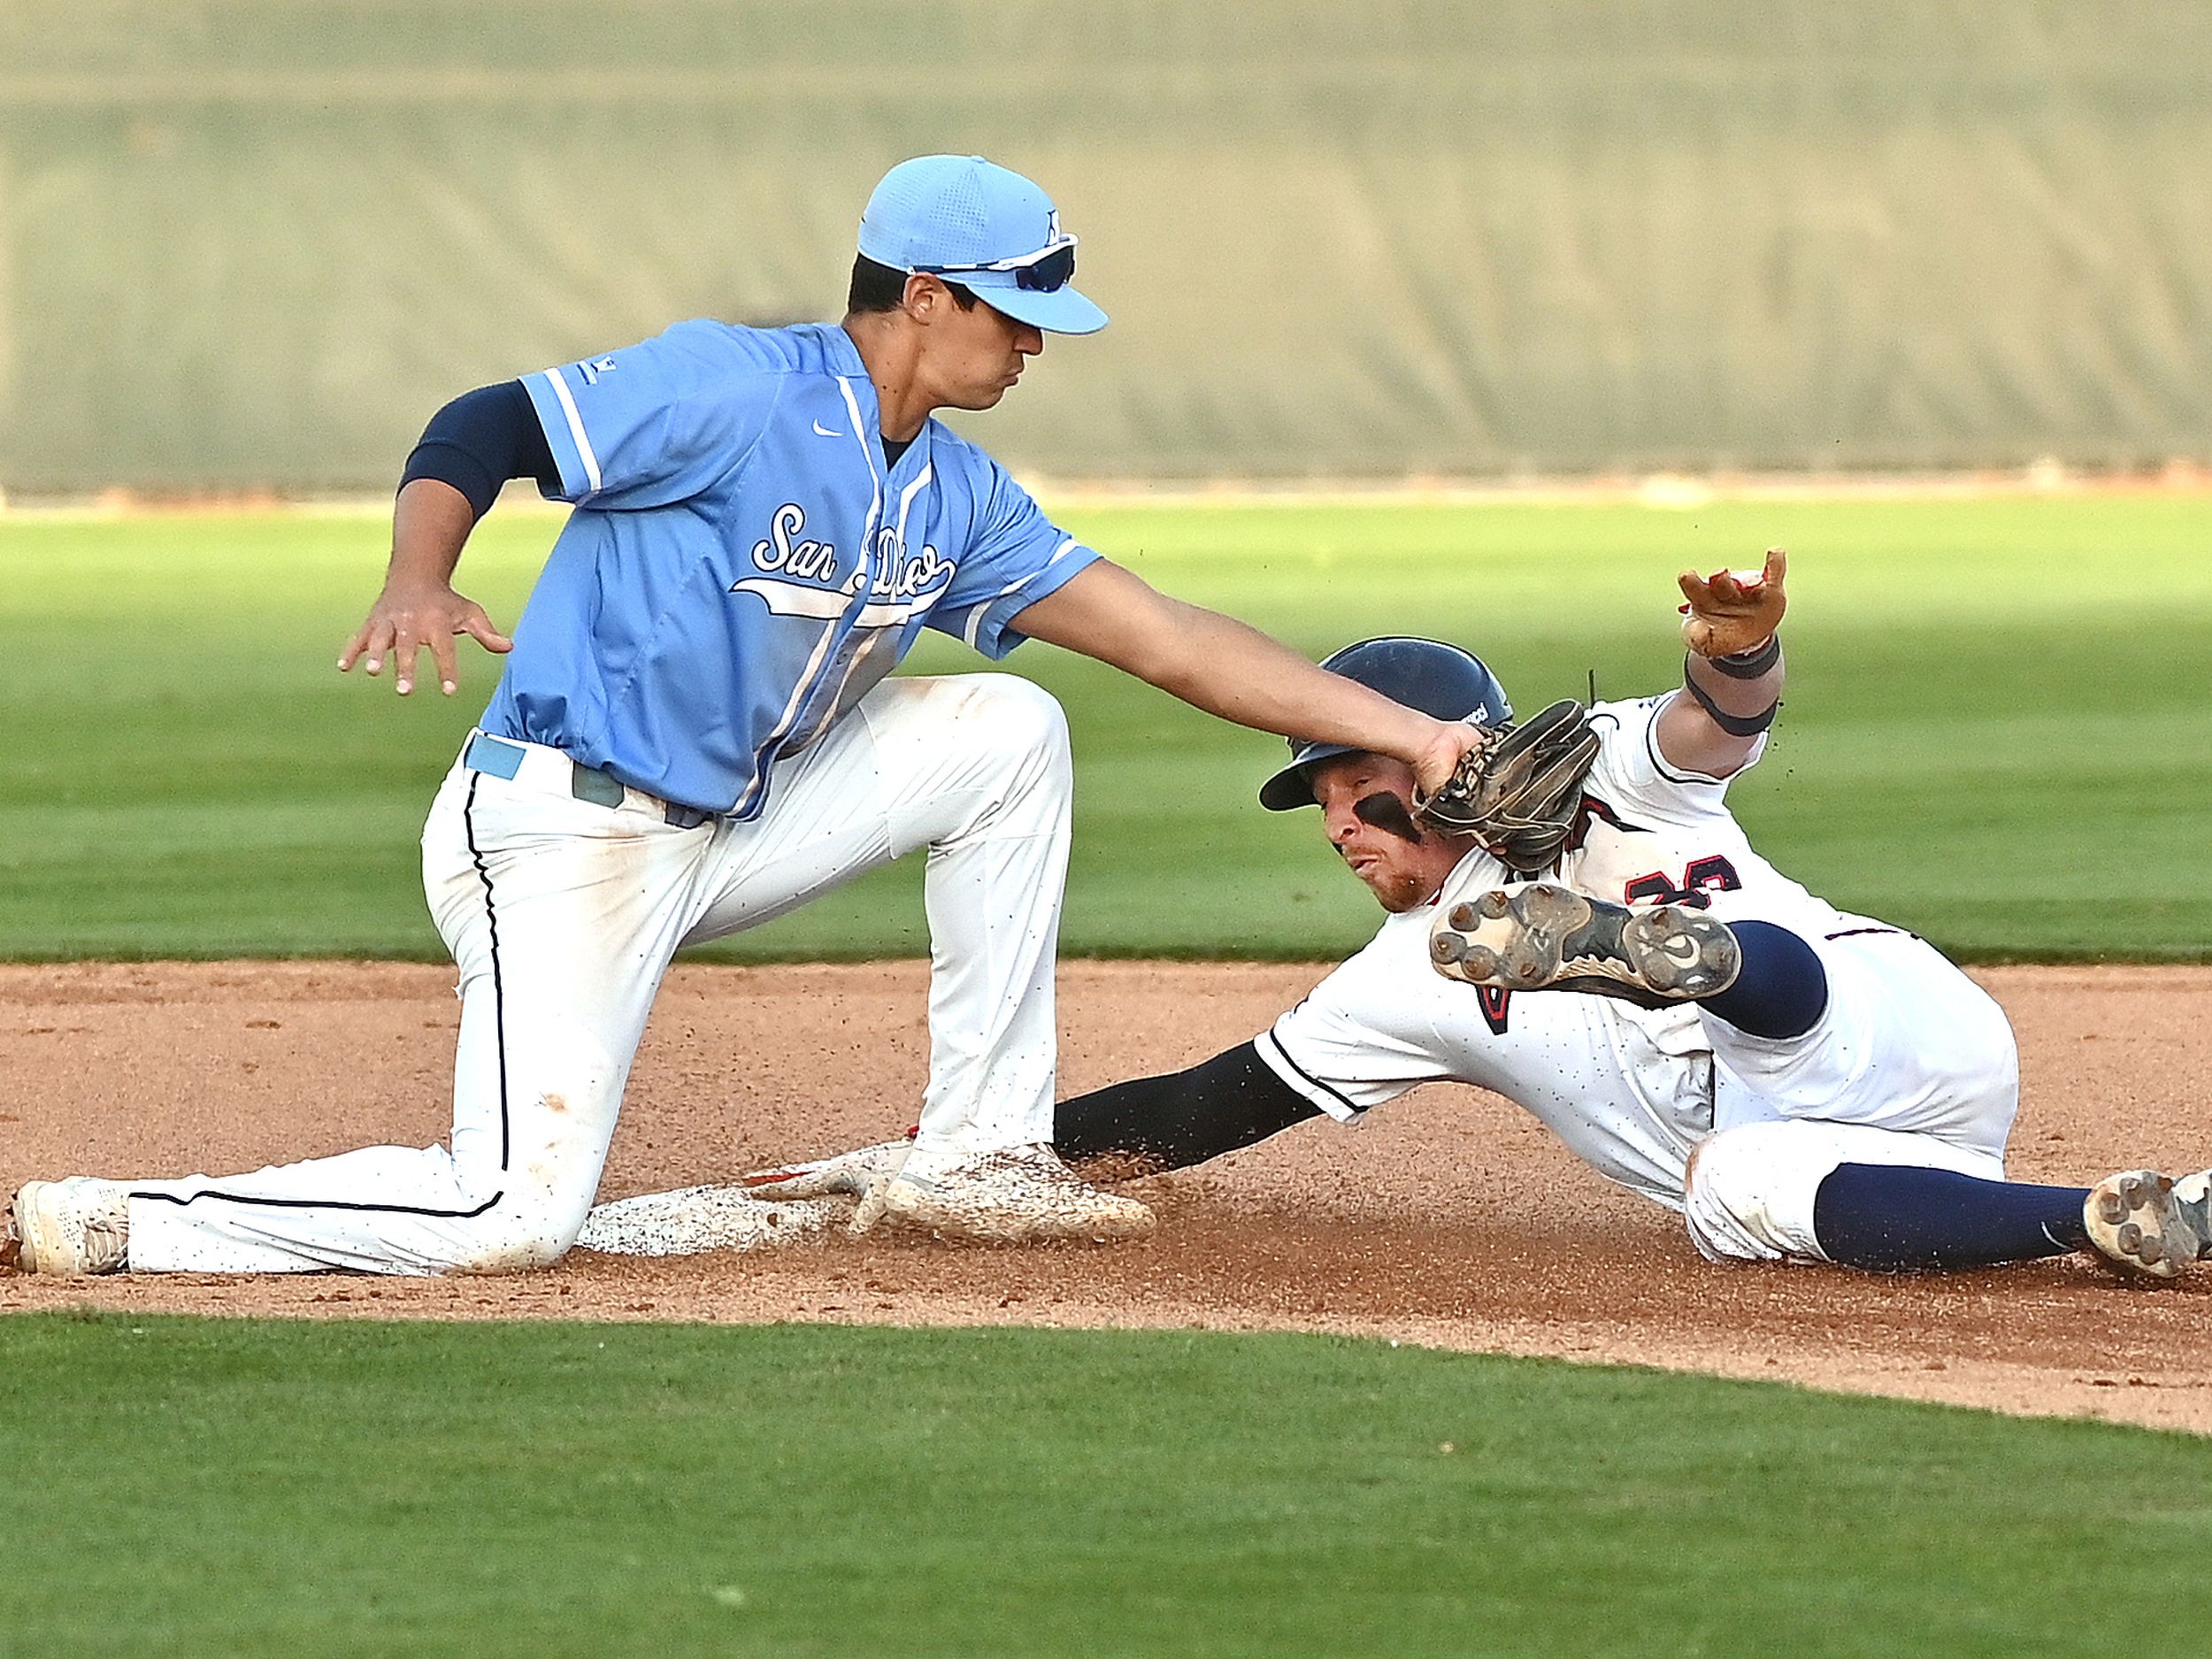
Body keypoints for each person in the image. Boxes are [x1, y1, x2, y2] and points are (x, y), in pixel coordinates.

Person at [1, 154, 1483, 1277]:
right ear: (923, 295)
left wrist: (1414, 738)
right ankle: (110, 1223)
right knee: (505, 1213)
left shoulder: (955, 493)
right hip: (563, 831)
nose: (1035, 346)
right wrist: (417, 571)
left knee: (1008, 734)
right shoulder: (734, 386)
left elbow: (1165, 639)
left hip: (736, 827)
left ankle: (976, 1151)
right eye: (1016, 315)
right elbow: (486, 423)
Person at [727, 556, 2212, 1281]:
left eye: (1353, 786)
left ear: (1442, 748)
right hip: (1871, 1163)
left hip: (1894, 1017)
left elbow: (1714, 723)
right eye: (1316, 808)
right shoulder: (1400, 981)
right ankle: (2114, 1218)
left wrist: (1744, 653)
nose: (1338, 829)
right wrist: (964, 1150)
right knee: (1729, 1188)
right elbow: (1203, 1106)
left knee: (1769, 1006)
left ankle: (1648, 955)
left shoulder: (1614, 773)